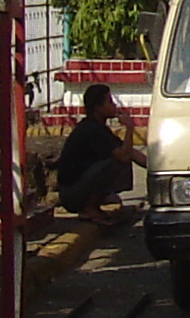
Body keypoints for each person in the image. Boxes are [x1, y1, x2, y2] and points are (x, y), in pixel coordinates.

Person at [57, 83, 144, 227]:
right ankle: (89, 209)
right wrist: (129, 128)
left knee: (120, 157)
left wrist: (156, 168)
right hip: (72, 194)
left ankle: (95, 205)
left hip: (77, 189)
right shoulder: (91, 129)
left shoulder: (100, 128)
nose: (114, 105)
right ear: (98, 108)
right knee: (116, 162)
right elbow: (124, 155)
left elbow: (131, 152)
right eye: (109, 102)